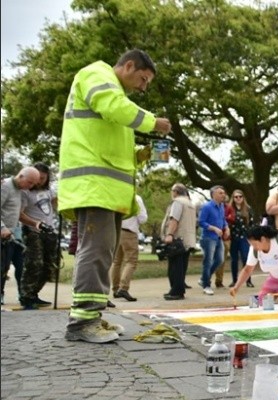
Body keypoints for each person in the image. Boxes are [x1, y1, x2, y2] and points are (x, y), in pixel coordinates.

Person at [59, 49, 171, 343]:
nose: (143, 88)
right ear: (129, 65)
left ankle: (91, 316)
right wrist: (152, 122)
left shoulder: (116, 99)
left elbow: (110, 146)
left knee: (102, 253)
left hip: (105, 190)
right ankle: (82, 322)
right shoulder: (98, 75)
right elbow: (113, 106)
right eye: (143, 79)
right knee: (95, 252)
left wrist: (139, 154)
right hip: (93, 187)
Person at [229, 225, 278, 303]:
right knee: (262, 300)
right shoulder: (254, 250)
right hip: (276, 278)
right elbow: (247, 270)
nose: (253, 247)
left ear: (263, 239)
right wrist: (236, 287)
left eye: (254, 244)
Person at [18, 163, 58, 310]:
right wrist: (35, 224)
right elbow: (19, 214)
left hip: (50, 232)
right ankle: (26, 296)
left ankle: (34, 293)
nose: (39, 181)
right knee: (34, 263)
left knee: (49, 266)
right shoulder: (25, 192)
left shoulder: (49, 191)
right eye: (37, 178)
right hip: (33, 232)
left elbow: (56, 203)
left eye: (43, 178)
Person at [2, 167, 41, 307]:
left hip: (14, 236)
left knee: (21, 266)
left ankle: (23, 296)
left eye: (33, 184)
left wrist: (34, 223)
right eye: (29, 182)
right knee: (2, 268)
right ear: (21, 176)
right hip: (3, 236)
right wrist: (2, 227)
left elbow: (17, 214)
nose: (30, 187)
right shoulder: (5, 186)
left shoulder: (19, 191)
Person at [161, 184, 197, 301]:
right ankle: (179, 290)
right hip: (188, 239)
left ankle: (175, 291)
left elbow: (174, 219)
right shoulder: (190, 204)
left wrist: (170, 234)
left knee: (174, 266)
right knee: (182, 266)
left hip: (178, 238)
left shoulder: (178, 202)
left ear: (176, 192)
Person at [109, 194, 147, 302]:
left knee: (116, 262)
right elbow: (143, 218)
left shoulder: (117, 195)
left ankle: (115, 289)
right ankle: (123, 287)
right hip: (129, 232)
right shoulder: (136, 198)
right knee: (131, 261)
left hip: (116, 230)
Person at [198, 186, 229, 295]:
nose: (223, 195)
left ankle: (203, 278)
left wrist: (227, 228)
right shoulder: (206, 207)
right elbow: (201, 222)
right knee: (208, 261)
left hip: (218, 238)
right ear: (213, 195)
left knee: (219, 260)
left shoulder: (221, 206)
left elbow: (223, 219)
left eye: (223, 193)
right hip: (208, 238)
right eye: (220, 193)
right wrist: (214, 228)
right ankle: (206, 285)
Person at [226, 189, 254, 288]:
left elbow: (251, 225)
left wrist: (251, 238)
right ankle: (234, 280)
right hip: (233, 237)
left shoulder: (248, 209)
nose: (238, 198)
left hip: (244, 237)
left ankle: (248, 280)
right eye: (236, 197)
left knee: (246, 258)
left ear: (243, 198)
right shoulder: (229, 209)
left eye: (240, 196)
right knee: (234, 260)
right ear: (233, 198)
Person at [213, 193, 231, 288]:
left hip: (225, 238)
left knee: (221, 260)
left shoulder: (228, 208)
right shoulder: (211, 207)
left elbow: (231, 219)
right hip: (213, 237)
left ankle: (219, 280)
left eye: (224, 199)